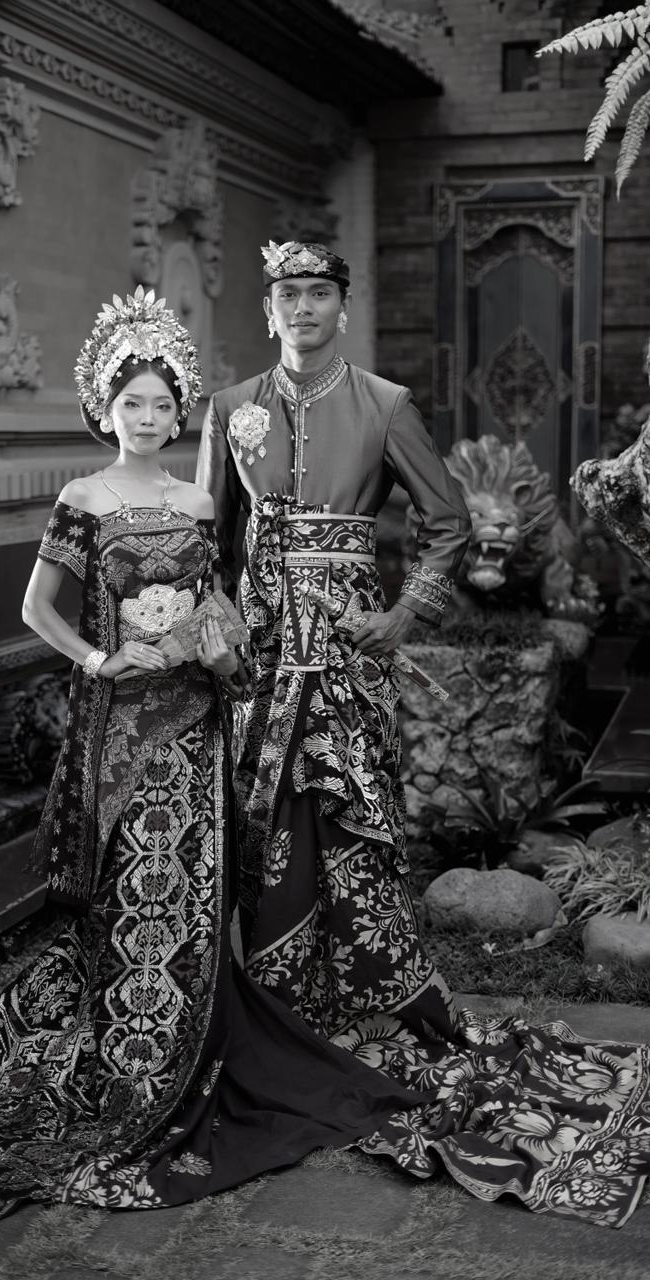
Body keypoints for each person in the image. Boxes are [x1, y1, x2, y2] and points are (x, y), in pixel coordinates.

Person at [0, 288, 436, 1222]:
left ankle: (194, 1038)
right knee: (128, 883)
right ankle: (128, 1050)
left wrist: (221, 647)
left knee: (197, 884)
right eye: (131, 403)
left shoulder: (197, 501)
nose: (148, 418)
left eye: (161, 404)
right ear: (104, 409)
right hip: (121, 723)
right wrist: (98, 658)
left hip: (196, 717)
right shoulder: (84, 499)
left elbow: (215, 598)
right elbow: (38, 608)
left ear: (178, 411)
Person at [196, 242, 650, 1226]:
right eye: (287, 294)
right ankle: (275, 1006)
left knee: (349, 821)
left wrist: (403, 614)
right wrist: (217, 626)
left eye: (319, 293)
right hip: (260, 661)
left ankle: (358, 994)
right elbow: (208, 536)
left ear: (340, 307)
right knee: (261, 824)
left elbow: (444, 521)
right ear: (268, 309)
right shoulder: (228, 405)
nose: (302, 307)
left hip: (349, 655)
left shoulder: (384, 403)